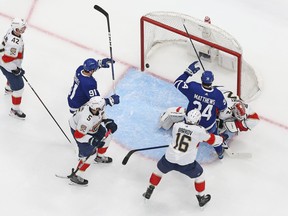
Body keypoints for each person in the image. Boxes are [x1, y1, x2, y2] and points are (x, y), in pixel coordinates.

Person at [143, 109, 224, 207]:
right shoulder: (200, 131)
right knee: (200, 176)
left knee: (158, 171)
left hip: (170, 158)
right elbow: (214, 140)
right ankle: (201, 197)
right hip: (186, 163)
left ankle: (149, 190)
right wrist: (221, 138)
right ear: (198, 120)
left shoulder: (177, 126)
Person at [173, 61, 227, 158]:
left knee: (188, 137)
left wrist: (188, 73)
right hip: (208, 125)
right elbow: (223, 108)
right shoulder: (218, 94)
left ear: (201, 79)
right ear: (212, 80)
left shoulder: (193, 87)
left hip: (189, 123)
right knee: (215, 138)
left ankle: (181, 149)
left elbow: (177, 83)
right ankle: (220, 153)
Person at [68, 96, 118, 185]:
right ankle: (76, 175)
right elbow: (78, 136)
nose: (97, 110)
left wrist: (107, 122)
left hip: (93, 126)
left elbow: (101, 114)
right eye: (95, 110)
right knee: (90, 154)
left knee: (107, 137)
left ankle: (99, 157)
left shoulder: (97, 107)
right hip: (80, 130)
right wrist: (91, 140)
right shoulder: (85, 121)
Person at [0, 18, 27, 119]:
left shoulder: (11, 31)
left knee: (12, 78)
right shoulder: (14, 44)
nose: (24, 29)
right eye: (22, 28)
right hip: (7, 66)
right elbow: (7, 59)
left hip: (4, 62)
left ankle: (8, 89)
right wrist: (16, 69)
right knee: (19, 88)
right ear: (16, 28)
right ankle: (14, 110)